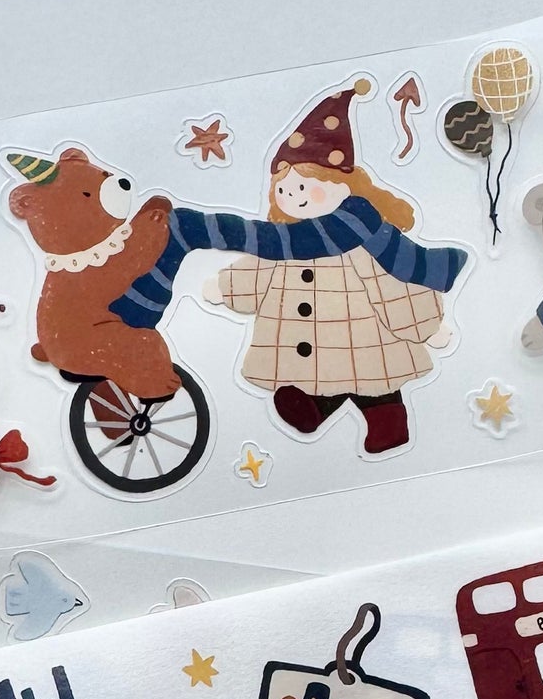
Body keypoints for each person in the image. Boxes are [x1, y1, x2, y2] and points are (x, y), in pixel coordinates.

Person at [113, 82, 467, 454]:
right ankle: (313, 410)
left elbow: (394, 286)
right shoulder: (284, 244)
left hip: (363, 337)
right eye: (285, 188)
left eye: (306, 185)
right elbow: (257, 272)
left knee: (374, 381)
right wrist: (227, 287)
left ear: (344, 187)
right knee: (315, 379)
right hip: (310, 347)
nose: (294, 196)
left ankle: (387, 423)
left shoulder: (363, 241)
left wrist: (426, 327)